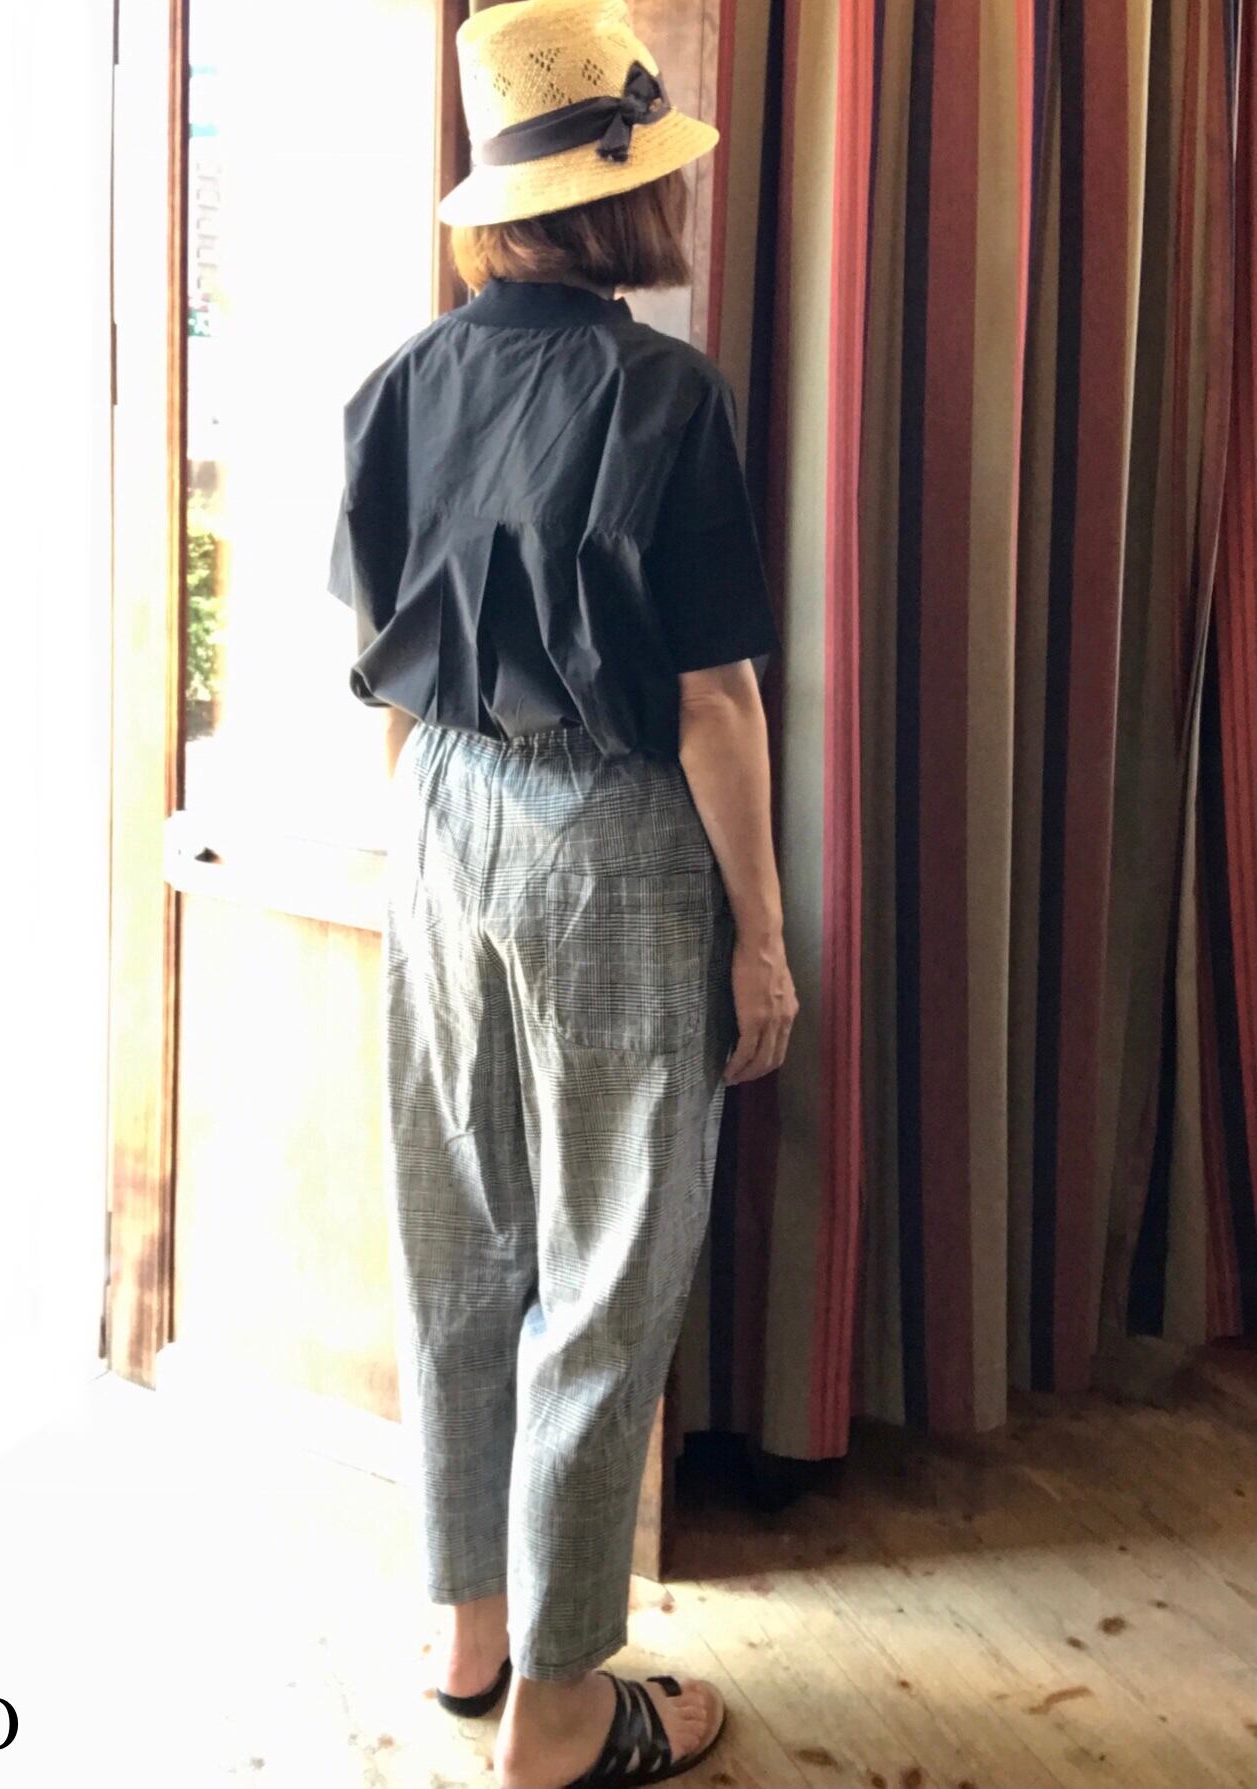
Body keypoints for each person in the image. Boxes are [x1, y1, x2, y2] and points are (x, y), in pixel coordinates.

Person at [326, 1, 798, 1783]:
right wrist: (761, 940)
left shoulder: (400, 381)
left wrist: (431, 839)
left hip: (438, 808)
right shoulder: (664, 394)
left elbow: (377, 658)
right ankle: (561, 1709)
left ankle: (468, 1630)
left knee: (454, 1234)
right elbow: (711, 704)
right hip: (607, 829)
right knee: (605, 1265)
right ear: (626, 194)